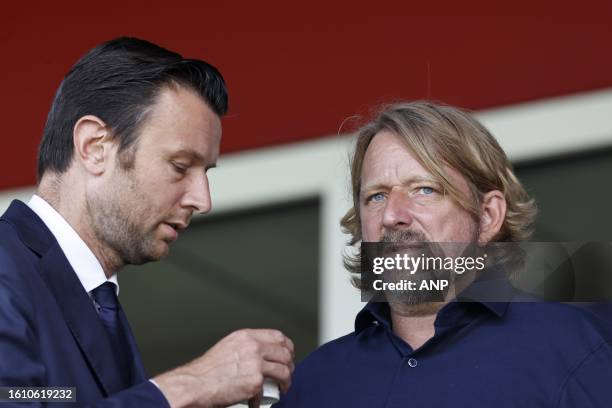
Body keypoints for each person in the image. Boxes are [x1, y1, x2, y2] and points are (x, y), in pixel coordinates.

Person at [0, 37, 293, 408]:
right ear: (94, 147)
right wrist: (192, 385)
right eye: (180, 166)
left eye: (205, 173)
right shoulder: (8, 271)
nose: (203, 200)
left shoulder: (100, 306)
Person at [275, 102, 612, 407]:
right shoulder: (314, 385)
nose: (393, 215)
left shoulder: (576, 350)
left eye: (424, 189)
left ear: (488, 217)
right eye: (376, 196)